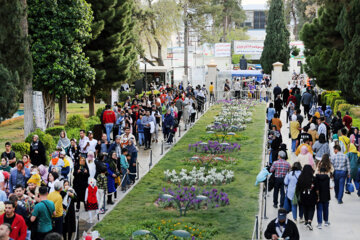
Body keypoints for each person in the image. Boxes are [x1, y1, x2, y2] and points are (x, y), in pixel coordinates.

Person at [296, 165, 317, 230]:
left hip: (303, 195)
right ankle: (309, 221)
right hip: (312, 195)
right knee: (311, 208)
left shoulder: (300, 178)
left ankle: (306, 221)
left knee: (305, 207)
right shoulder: (313, 178)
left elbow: (298, 188)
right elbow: (316, 188)